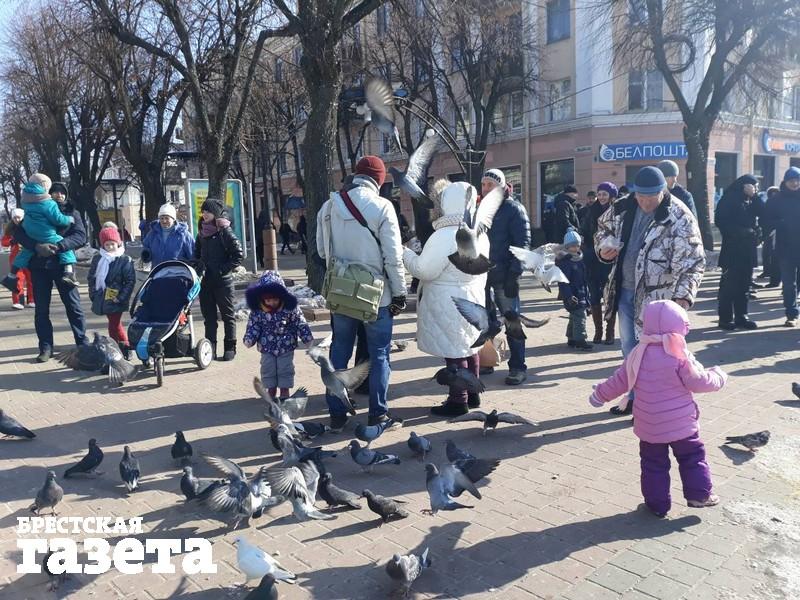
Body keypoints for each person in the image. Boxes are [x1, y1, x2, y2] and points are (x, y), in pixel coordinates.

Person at [589, 300, 727, 517]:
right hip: (682, 426)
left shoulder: (637, 353)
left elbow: (619, 381)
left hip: (649, 426)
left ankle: (657, 505)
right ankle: (699, 496)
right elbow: (699, 381)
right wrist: (718, 376)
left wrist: (599, 395)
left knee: (652, 465)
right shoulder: (679, 354)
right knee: (692, 459)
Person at [595, 166, 705, 415]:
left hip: (659, 302)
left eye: (650, 197)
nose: (644, 203)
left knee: (658, 357)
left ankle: (654, 405)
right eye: (640, 197)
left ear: (662, 191)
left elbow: (694, 263)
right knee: (630, 351)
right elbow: (602, 229)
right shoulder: (623, 206)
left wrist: (682, 299)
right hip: (624, 291)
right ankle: (635, 398)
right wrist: (603, 248)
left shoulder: (679, 216)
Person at [316, 155, 406, 431]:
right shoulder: (383, 207)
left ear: (357, 175)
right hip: (377, 296)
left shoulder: (328, 207)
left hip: (341, 292)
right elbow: (393, 257)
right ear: (378, 179)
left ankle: (337, 414)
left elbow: (321, 251)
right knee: (379, 354)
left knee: (339, 351)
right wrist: (400, 293)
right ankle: (378, 415)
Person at [403, 181, 487, 416]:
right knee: (469, 347)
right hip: (473, 297)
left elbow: (424, 270)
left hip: (447, 301)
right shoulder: (479, 232)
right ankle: (473, 392)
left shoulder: (444, 235)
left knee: (454, 352)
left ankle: (458, 400)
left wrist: (405, 254)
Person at [11, 181, 88, 362]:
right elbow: (19, 233)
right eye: (55, 192)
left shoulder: (72, 214)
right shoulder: (35, 211)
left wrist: (59, 246)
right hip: (39, 266)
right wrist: (36, 246)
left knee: (74, 306)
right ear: (48, 194)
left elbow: (80, 236)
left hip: (63, 267)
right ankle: (46, 347)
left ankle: (82, 343)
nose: (59, 195)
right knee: (41, 310)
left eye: (62, 192)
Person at [482, 168, 531, 385]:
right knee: (485, 321)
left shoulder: (514, 209)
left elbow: (523, 244)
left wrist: (514, 274)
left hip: (505, 276)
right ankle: (487, 359)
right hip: (482, 275)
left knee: (512, 322)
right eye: (483, 185)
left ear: (501, 187)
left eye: (490, 185)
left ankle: (518, 367)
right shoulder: (480, 208)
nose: (486, 189)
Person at [1, 174, 77, 293]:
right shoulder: (48, 203)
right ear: (46, 187)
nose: (59, 195)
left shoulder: (26, 200)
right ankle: (68, 272)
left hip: (30, 231)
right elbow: (58, 219)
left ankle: (11, 276)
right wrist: (69, 220)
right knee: (64, 246)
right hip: (45, 233)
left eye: (62, 193)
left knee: (25, 252)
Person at [244, 271, 313, 399]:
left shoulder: (289, 308)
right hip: (266, 346)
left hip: (286, 344)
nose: (272, 303)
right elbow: (254, 325)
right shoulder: (258, 310)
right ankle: (271, 389)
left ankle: (284, 390)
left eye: (275, 299)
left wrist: (307, 339)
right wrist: (250, 338)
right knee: (268, 367)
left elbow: (300, 323)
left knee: (285, 368)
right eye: (268, 300)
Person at [194, 198, 243, 361]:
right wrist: (198, 267)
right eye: (203, 211)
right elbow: (196, 255)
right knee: (209, 318)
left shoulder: (224, 231)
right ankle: (210, 349)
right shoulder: (201, 233)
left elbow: (238, 255)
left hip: (223, 282)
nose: (204, 214)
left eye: (208, 211)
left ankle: (230, 347)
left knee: (228, 316)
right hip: (205, 282)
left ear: (215, 213)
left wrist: (222, 269)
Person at [715, 175, 760, 330]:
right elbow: (721, 221)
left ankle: (742, 316)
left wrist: (756, 232)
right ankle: (725, 318)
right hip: (732, 250)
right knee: (729, 286)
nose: (755, 189)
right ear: (744, 185)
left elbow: (763, 212)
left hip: (748, 250)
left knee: (744, 286)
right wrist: (741, 232)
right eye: (753, 186)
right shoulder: (729, 199)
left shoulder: (751, 200)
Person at [87, 226, 136, 355]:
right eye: (107, 244)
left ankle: (117, 349)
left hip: (116, 297)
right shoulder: (98, 258)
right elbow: (92, 277)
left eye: (112, 244)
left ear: (118, 243)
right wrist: (93, 293)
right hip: (102, 296)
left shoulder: (124, 259)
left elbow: (130, 281)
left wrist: (121, 297)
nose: (110, 247)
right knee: (115, 324)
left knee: (114, 325)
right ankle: (125, 347)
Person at [582, 182, 617, 344]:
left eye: (605, 194)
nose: (601, 197)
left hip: (610, 259)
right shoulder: (591, 211)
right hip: (592, 259)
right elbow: (584, 230)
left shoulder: (617, 211)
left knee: (610, 296)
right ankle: (598, 331)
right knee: (594, 295)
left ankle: (610, 332)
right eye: (600, 194)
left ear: (611, 196)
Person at [765, 167, 800, 327]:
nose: (795, 183)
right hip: (785, 248)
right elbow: (765, 221)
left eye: (797, 180)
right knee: (788, 283)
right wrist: (782, 224)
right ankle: (791, 314)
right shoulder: (776, 200)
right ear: (785, 182)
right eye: (791, 180)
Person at [556, 229, 592, 350]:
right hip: (572, 295)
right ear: (567, 247)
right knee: (580, 316)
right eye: (572, 246)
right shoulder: (566, 262)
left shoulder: (580, 259)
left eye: (577, 245)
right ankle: (580, 340)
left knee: (574, 316)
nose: (575, 248)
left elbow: (584, 278)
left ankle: (571, 337)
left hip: (581, 292)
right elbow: (563, 282)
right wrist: (568, 296)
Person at [2, 208, 35, 310]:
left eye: (19, 217)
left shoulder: (29, 226)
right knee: (17, 280)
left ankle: (31, 300)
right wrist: (11, 241)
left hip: (29, 257)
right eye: (15, 218)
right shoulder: (10, 229)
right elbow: (3, 242)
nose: (17, 219)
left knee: (31, 279)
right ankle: (18, 301)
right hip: (16, 259)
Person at [758, 186, 781, 287]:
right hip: (769, 232)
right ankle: (767, 271)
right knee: (767, 254)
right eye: (772, 194)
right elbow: (764, 218)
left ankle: (774, 277)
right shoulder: (769, 203)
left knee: (774, 256)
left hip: (777, 232)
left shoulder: (777, 202)